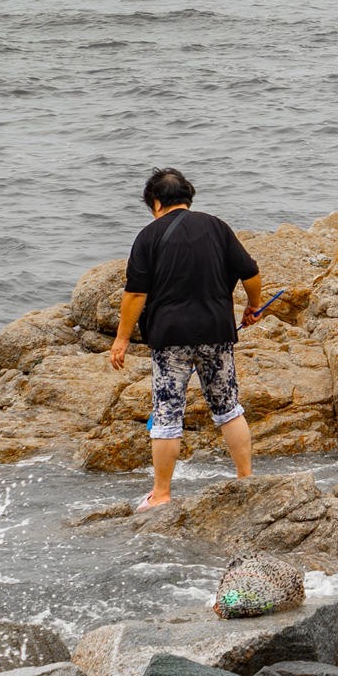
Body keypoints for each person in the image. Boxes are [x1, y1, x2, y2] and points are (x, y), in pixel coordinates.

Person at [110, 168, 267, 508]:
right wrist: (253, 307)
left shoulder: (148, 237)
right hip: (216, 333)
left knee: (167, 415)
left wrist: (121, 339)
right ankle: (246, 478)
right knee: (228, 408)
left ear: (155, 202)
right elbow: (250, 272)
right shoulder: (216, 226)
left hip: (170, 339)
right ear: (187, 198)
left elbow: (135, 294)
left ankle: (162, 494)